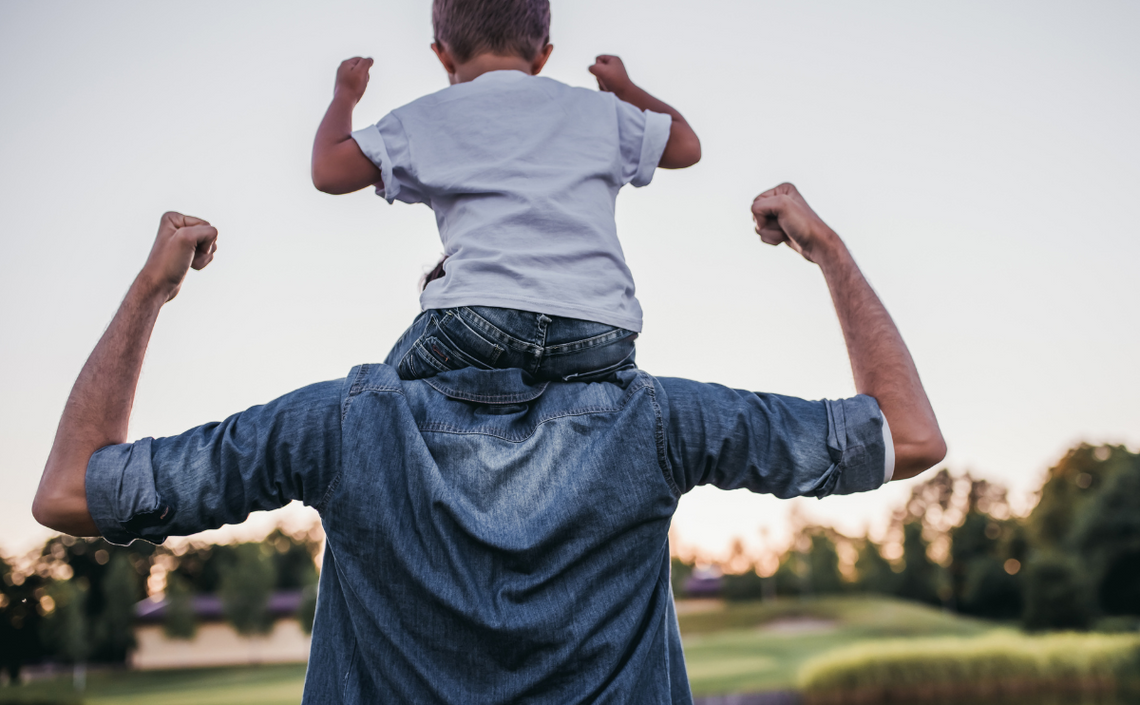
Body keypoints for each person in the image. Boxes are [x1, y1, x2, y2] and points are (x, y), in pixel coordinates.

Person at [33, 183, 946, 704]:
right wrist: (826, 249)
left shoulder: (340, 426)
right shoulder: (657, 421)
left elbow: (72, 491)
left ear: (437, 297)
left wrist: (151, 290)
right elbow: (907, 435)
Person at [310, 0, 701, 383]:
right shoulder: (600, 111)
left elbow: (328, 171)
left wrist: (344, 95)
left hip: (481, 321)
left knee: (378, 398)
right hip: (601, 330)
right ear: (543, 55)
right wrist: (624, 89)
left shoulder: (428, 117)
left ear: (442, 55)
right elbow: (686, 146)